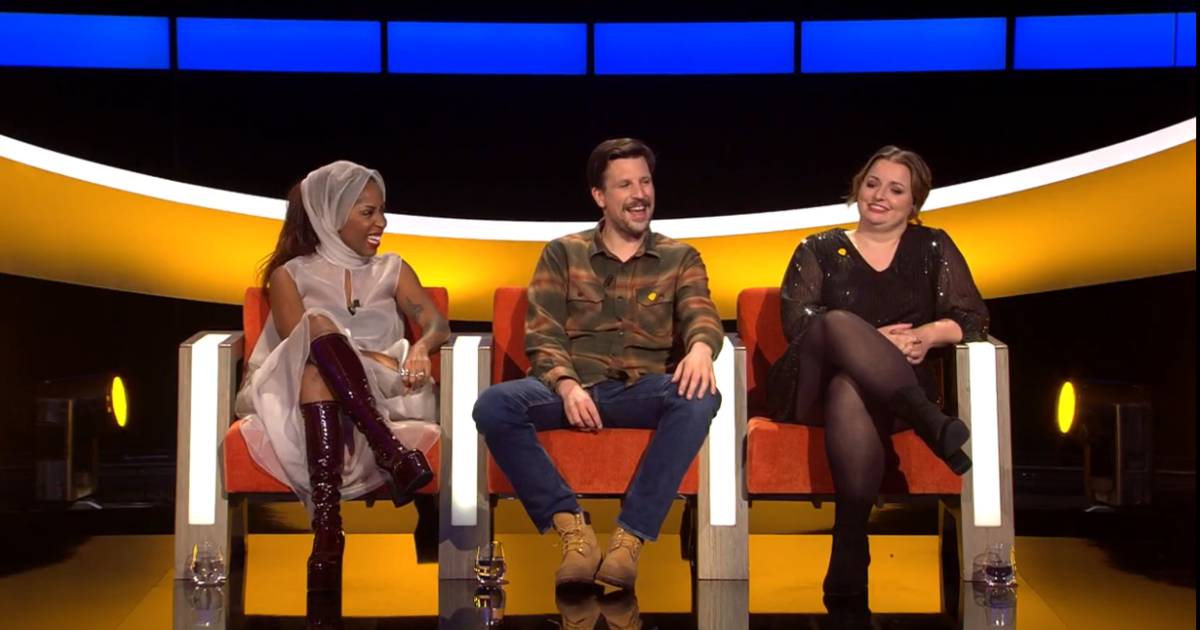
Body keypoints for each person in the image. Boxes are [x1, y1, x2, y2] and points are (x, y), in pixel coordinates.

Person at [473, 138, 724, 590]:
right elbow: (543, 333)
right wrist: (567, 385)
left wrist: (702, 347)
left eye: (645, 182)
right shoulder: (562, 253)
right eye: (625, 185)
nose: (640, 194)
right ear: (599, 196)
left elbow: (700, 312)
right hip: (570, 388)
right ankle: (573, 532)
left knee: (700, 396)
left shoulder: (680, 257)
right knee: (494, 405)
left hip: (642, 390)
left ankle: (629, 540)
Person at [766, 146, 988, 602]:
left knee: (851, 387)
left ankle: (850, 542)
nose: (880, 196)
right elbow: (798, 323)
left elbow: (972, 319)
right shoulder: (818, 248)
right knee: (834, 324)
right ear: (857, 188)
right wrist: (870, 339)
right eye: (872, 184)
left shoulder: (932, 246)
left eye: (895, 189)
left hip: (892, 390)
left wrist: (925, 334)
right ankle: (932, 422)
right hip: (811, 388)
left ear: (914, 201)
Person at [234, 160, 448, 592]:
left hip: (386, 388)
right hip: (301, 389)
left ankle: (329, 530)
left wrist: (421, 347)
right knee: (316, 337)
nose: (381, 222)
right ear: (331, 217)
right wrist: (367, 354)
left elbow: (436, 324)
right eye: (368, 212)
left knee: (319, 362)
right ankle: (383, 459)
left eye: (382, 210)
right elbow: (297, 345)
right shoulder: (289, 275)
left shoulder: (392, 268)